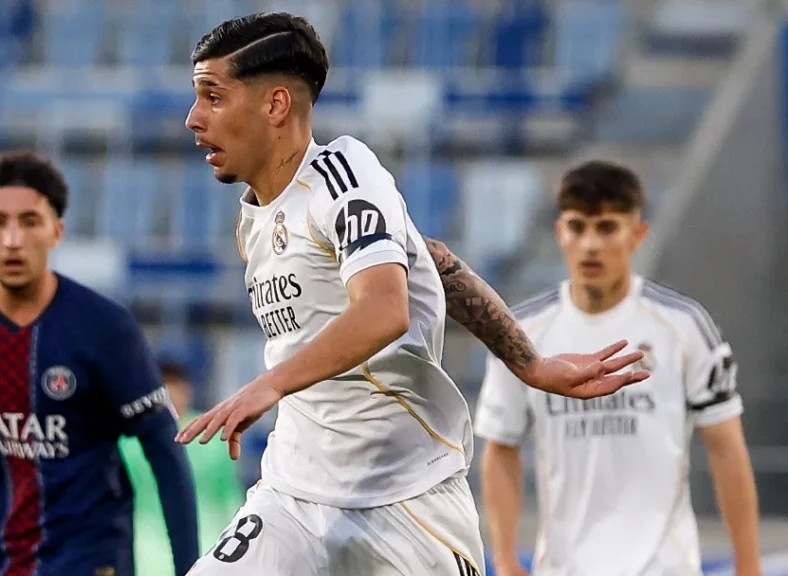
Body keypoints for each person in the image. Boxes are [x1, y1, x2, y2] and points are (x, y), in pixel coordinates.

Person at [176, 12, 650, 576]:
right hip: (294, 494)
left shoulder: (344, 174)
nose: (193, 119)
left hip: (408, 496)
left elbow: (384, 308)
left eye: (213, 96)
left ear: (276, 105)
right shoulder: (253, 222)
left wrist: (270, 384)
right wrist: (530, 363)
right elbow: (436, 262)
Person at [0, 151, 199, 576]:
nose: (12, 240)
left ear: (56, 231)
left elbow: (163, 449)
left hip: (93, 558)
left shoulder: (105, 325)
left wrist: (189, 568)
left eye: (29, 222)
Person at [474, 160, 761, 576]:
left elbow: (726, 446)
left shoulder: (684, 326)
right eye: (577, 226)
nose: (590, 244)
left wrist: (749, 566)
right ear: (560, 233)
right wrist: (503, 559)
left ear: (637, 234)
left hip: (666, 567)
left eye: (606, 227)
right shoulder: (520, 333)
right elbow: (500, 449)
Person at [120, 360, 245, 576]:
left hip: (208, 548)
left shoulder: (214, 435)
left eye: (177, 389)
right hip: (145, 552)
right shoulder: (128, 441)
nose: (172, 397)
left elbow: (229, 498)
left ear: (189, 390)